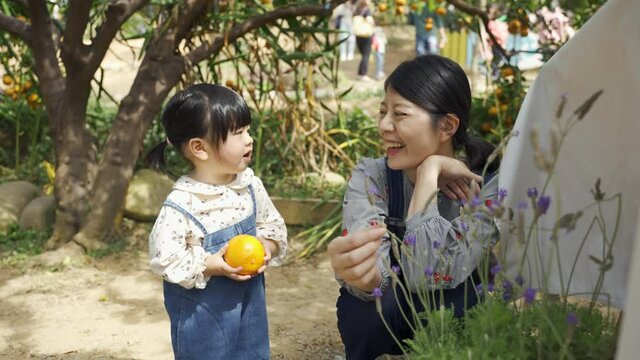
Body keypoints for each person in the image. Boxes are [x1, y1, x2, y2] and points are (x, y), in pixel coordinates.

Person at [327, 55, 500, 359]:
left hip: (457, 325)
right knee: (367, 306)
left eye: (400, 114)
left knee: (458, 299)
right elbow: (376, 278)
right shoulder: (373, 175)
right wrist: (364, 278)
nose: (384, 126)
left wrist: (429, 171)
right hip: (396, 316)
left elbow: (429, 274)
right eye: (383, 112)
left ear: (447, 125)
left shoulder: (487, 185)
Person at [145, 84, 288, 359]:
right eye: (238, 133)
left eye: (248, 130)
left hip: (250, 305)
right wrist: (211, 264)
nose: (249, 140)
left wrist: (266, 246)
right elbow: (166, 258)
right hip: (204, 316)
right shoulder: (183, 204)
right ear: (199, 148)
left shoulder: (248, 185)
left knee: (253, 352)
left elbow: (271, 223)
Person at [352, 0, 375, 81]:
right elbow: (370, 21)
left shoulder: (357, 10)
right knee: (366, 55)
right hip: (366, 35)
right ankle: (363, 74)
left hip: (358, 35)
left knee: (363, 55)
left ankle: (360, 73)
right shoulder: (367, 10)